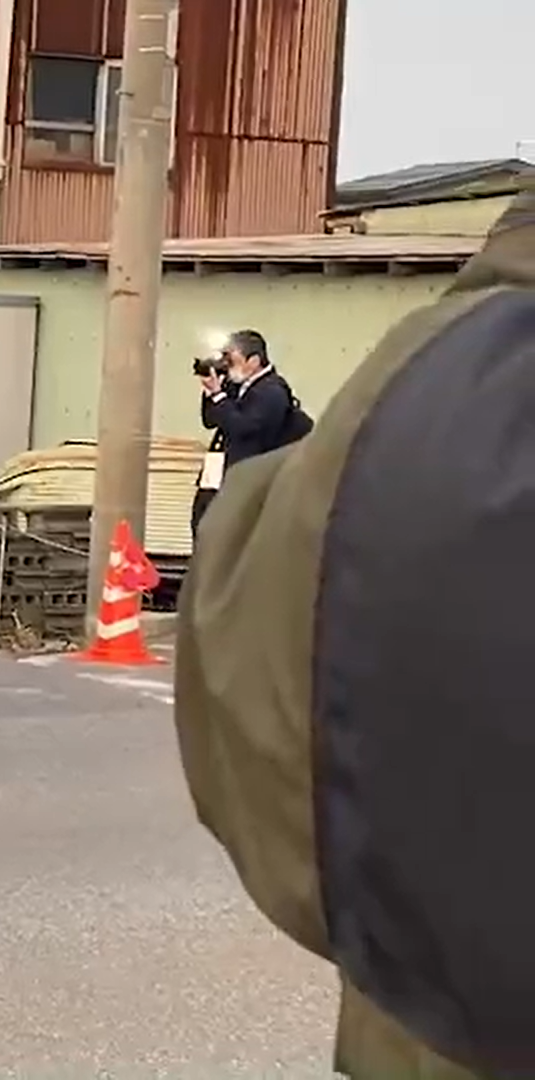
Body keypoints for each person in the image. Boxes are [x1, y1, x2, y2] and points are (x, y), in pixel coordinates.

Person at [174, 186, 535, 1076]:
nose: (223, 369)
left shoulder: (411, 376)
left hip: (428, 1029)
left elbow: (264, 734)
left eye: (229, 359)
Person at [190, 329, 306, 537]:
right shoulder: (236, 386)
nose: (227, 365)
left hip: (249, 477)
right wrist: (211, 391)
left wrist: (219, 396)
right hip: (219, 472)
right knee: (202, 523)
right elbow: (210, 420)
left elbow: (243, 427)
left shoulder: (272, 391)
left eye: (231, 359)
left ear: (253, 361)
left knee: (229, 534)